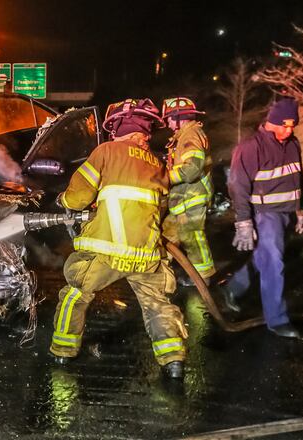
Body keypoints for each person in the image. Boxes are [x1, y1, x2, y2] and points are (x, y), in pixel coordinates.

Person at [50, 98, 188, 379]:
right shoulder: (158, 165)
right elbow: (159, 209)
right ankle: (173, 359)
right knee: (156, 302)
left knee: (75, 293)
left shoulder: (106, 151)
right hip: (147, 254)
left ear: (116, 128)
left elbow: (77, 199)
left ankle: (63, 351)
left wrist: (63, 198)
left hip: (106, 252)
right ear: (145, 133)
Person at [223, 97, 303, 338]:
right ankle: (277, 320)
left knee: (265, 257)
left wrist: (301, 207)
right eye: (284, 125)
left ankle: (234, 289)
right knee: (274, 263)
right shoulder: (251, 147)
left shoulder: (293, 144)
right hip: (264, 215)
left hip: (286, 213)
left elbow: (299, 177)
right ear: (271, 122)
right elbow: (238, 185)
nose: (289, 130)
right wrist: (244, 222)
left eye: (293, 125)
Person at [160, 97, 216, 286]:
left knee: (193, 239)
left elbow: (192, 169)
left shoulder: (191, 135)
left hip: (191, 198)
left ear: (178, 117)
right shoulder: (184, 136)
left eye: (169, 118)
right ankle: (161, 279)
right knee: (165, 237)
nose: (167, 122)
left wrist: (165, 177)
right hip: (181, 200)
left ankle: (204, 283)